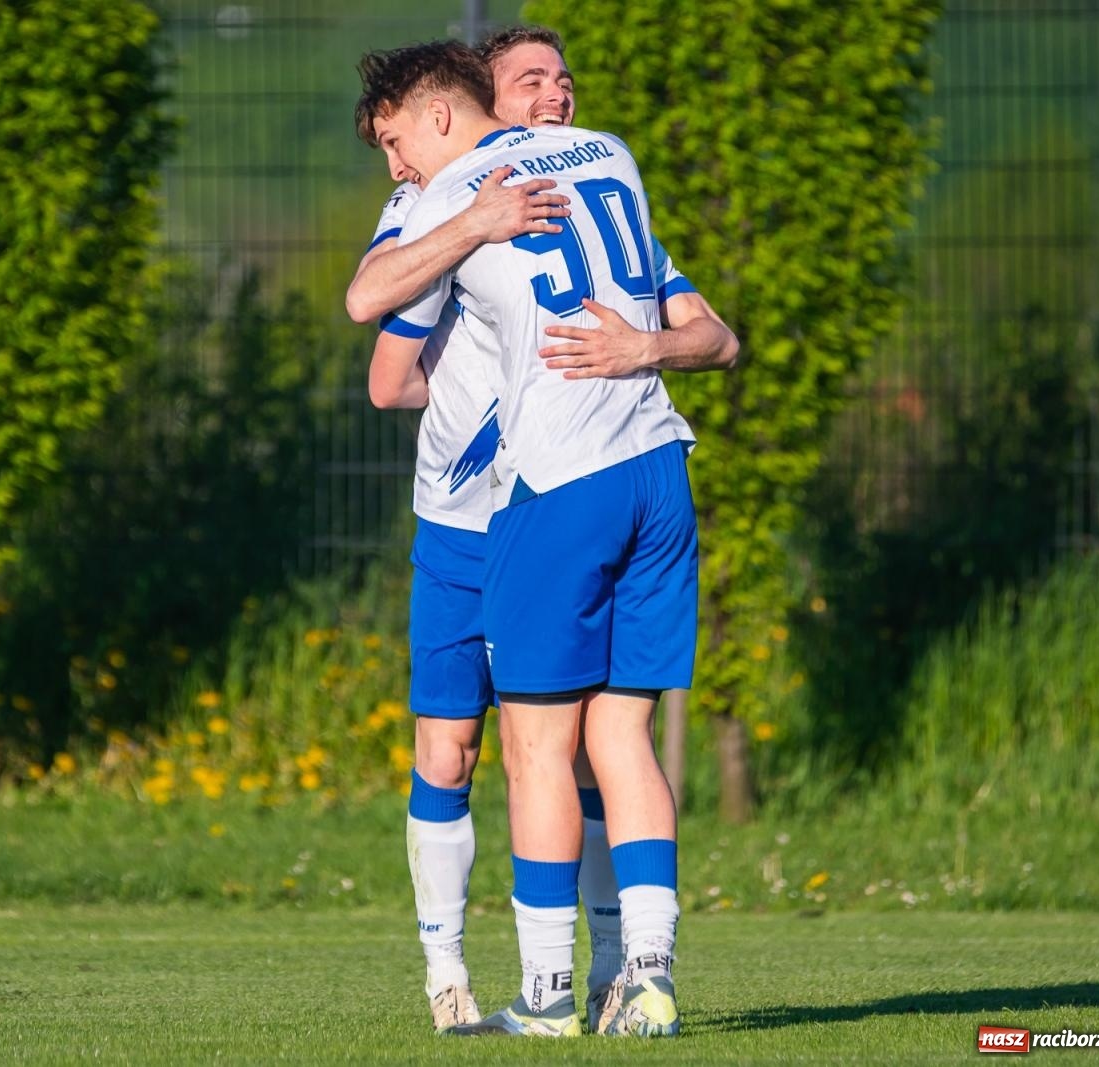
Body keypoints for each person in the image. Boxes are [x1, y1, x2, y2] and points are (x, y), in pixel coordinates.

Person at [347, 26, 737, 1037]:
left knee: (534, 746)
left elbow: (365, 299)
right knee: (619, 734)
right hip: (660, 461)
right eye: (535, 78)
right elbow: (710, 330)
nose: (398, 168)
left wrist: (471, 218)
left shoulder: (445, 196)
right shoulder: (609, 152)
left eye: (399, 143)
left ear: (439, 114)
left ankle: (549, 994)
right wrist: (646, 343)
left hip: (558, 483)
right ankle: (647, 981)